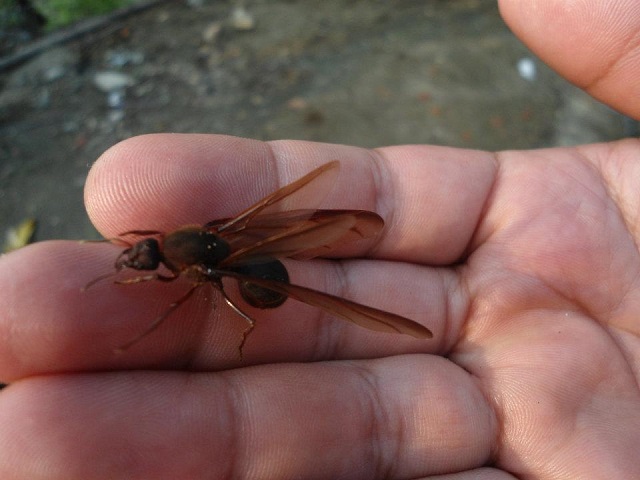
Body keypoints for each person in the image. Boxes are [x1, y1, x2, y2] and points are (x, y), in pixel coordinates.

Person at [1, 0, 639, 477]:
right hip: (242, 262)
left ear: (164, 244)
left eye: (145, 252)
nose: (142, 253)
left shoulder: (196, 259)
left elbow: (182, 289)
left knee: (251, 298)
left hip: (264, 282)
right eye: (142, 254)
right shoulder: (188, 244)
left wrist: (160, 325)